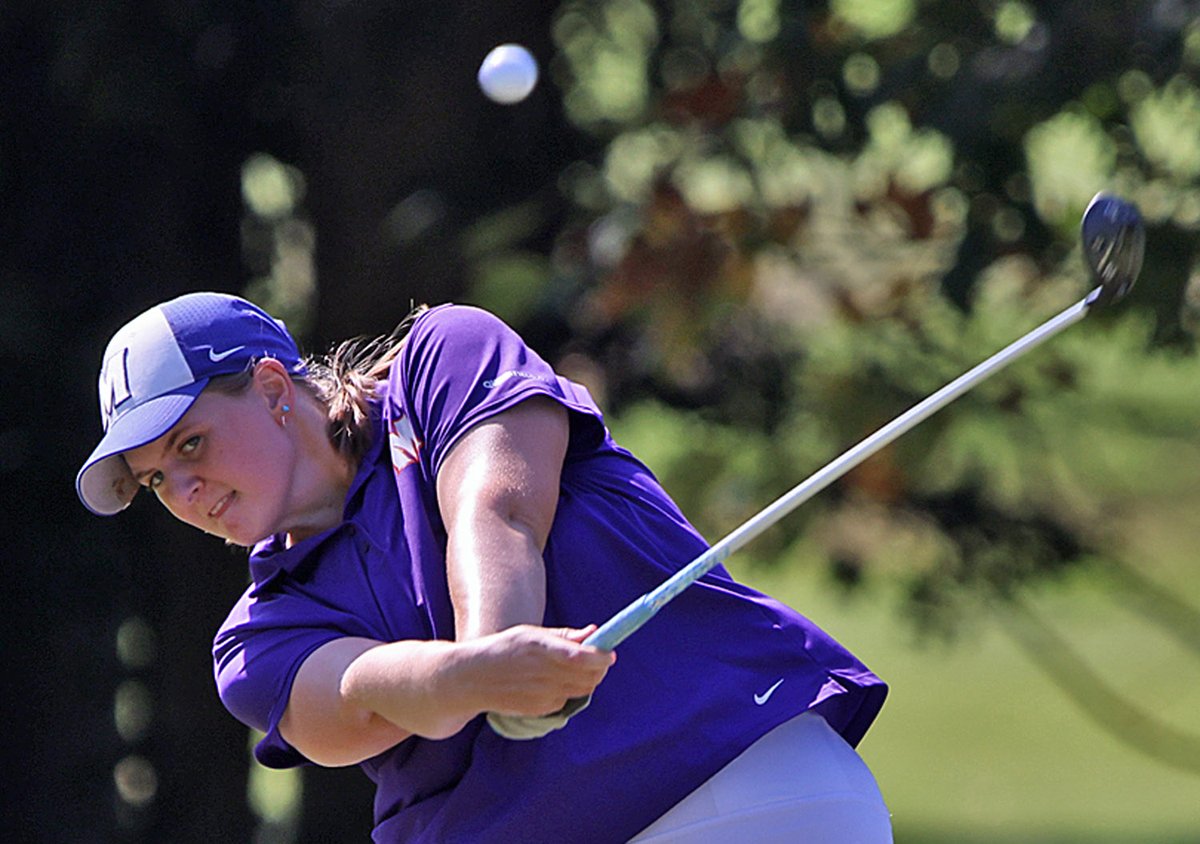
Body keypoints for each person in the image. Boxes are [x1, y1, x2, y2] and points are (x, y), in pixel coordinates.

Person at [77, 291, 892, 843]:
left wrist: (501, 644)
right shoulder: (256, 640)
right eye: (154, 479)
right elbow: (360, 695)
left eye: (191, 444)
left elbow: (497, 510)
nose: (183, 490)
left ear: (270, 387)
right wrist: (475, 678)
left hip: (744, 784)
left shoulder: (446, 358)